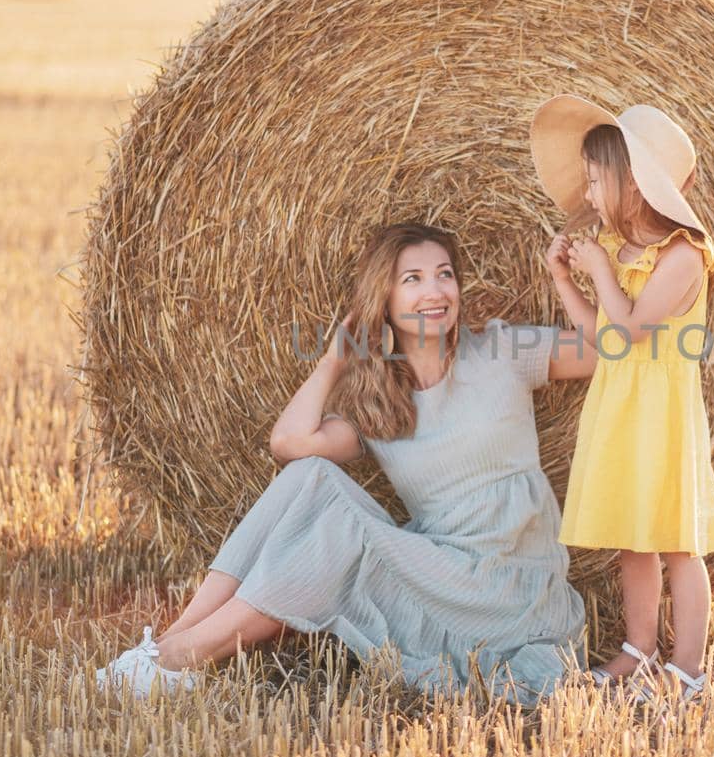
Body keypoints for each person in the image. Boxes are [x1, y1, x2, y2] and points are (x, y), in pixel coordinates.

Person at [92, 221, 597, 704]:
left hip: (511, 588)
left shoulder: (504, 350)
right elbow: (290, 443)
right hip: (437, 575)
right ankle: (164, 648)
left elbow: (609, 351)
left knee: (339, 529)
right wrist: (334, 358)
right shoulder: (381, 405)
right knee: (311, 476)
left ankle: (180, 656)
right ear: (386, 298)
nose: (435, 291)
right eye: (413, 279)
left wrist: (562, 278)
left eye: (445, 274)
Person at [529, 95, 714, 704]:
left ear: (635, 185)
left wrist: (600, 272)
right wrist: (567, 278)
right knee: (632, 540)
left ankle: (688, 668)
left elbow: (634, 328)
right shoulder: (619, 252)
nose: (588, 195)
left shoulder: (683, 257)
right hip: (619, 411)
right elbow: (601, 340)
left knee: (676, 543)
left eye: (596, 180)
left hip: (662, 419)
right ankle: (640, 649)